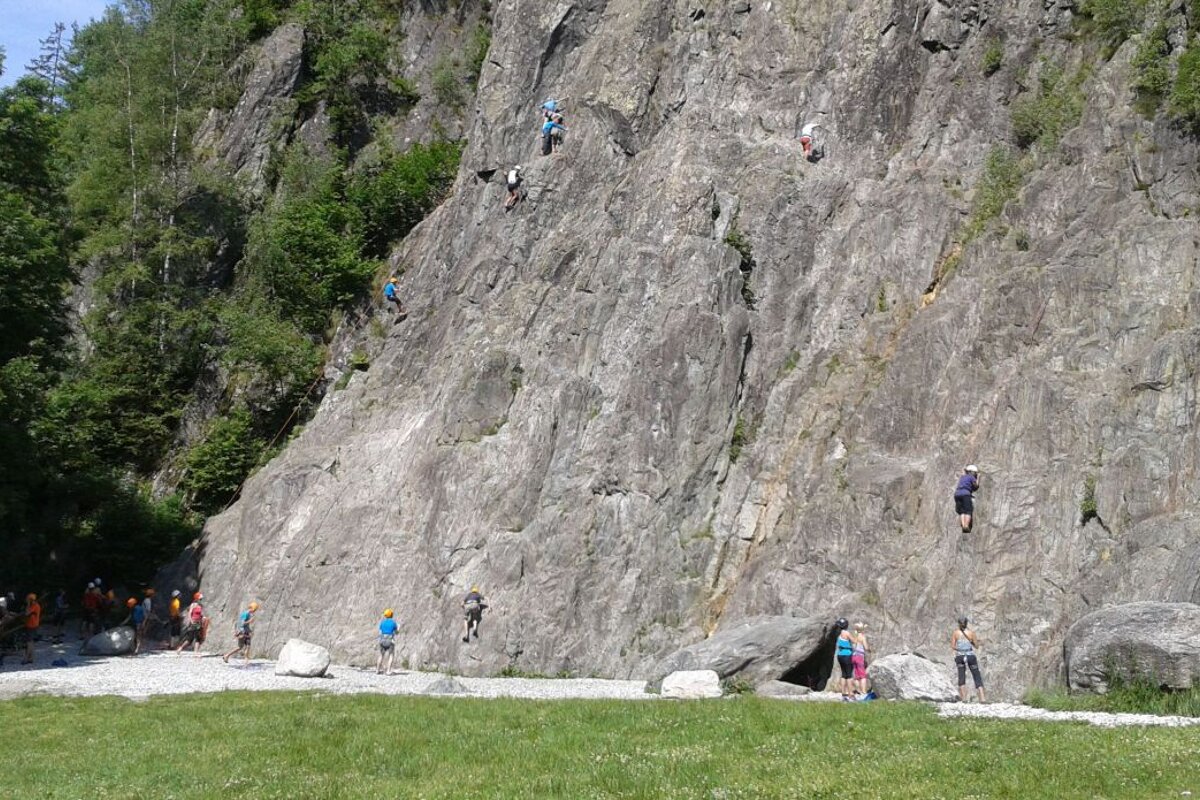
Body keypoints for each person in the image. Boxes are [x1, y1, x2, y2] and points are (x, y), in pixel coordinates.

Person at [952, 616, 985, 703]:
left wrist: (960, 648)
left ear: (959, 623)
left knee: (961, 675)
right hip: (970, 656)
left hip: (960, 656)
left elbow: (953, 646)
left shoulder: (955, 633)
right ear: (967, 623)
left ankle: (964, 698)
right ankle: (982, 698)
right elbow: (976, 646)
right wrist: (971, 642)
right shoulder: (971, 633)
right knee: (976, 675)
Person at [176, 592, 205, 657]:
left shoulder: (200, 606)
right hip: (193, 622)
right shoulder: (193, 605)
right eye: (200, 599)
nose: (201, 600)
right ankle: (180, 648)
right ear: (197, 598)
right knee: (190, 639)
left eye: (201, 599)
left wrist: (203, 618)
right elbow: (190, 613)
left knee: (198, 638)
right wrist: (191, 621)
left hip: (199, 622)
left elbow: (201, 614)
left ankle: (195, 652)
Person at [954, 465, 981, 533]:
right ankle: (966, 525)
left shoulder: (963, 477)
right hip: (965, 494)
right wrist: (978, 478)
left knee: (962, 511)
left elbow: (963, 472)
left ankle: (963, 525)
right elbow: (976, 486)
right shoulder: (971, 477)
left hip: (957, 494)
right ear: (972, 472)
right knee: (968, 510)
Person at [834, 618, 855, 700]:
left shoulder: (839, 634)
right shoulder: (847, 633)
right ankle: (851, 694)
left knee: (843, 674)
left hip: (840, 655)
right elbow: (854, 641)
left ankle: (843, 693)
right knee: (849, 675)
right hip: (847, 655)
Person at [377, 608, 399, 675]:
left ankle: (377, 670)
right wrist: (398, 629)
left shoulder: (382, 623)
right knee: (391, 655)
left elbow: (380, 632)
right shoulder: (393, 623)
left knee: (381, 655)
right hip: (390, 640)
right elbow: (396, 632)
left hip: (382, 640)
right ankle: (388, 671)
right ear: (391, 614)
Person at [20, 594, 40, 664]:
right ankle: (31, 658)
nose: (26, 601)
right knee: (31, 642)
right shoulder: (35, 605)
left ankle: (26, 658)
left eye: (27, 599)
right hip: (32, 625)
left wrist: (28, 605)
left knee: (29, 643)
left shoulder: (34, 606)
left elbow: (27, 613)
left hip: (32, 625)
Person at [851, 622, 870, 697]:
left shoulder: (854, 636)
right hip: (859, 657)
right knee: (863, 675)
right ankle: (864, 691)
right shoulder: (862, 637)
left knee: (856, 675)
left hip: (853, 656)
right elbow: (866, 647)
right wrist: (869, 650)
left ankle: (858, 690)